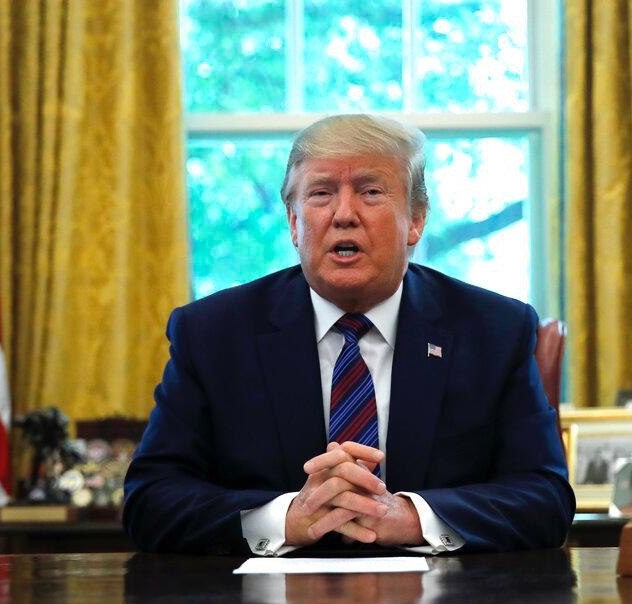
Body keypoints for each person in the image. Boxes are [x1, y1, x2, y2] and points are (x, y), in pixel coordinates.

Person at [122, 114, 574, 555]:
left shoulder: (494, 330)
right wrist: (285, 518)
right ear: (295, 223)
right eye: (321, 194)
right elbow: (150, 502)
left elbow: (545, 498)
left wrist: (411, 518)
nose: (343, 215)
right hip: (266, 601)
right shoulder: (213, 334)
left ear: (416, 219)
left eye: (370, 192)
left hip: (442, 599)